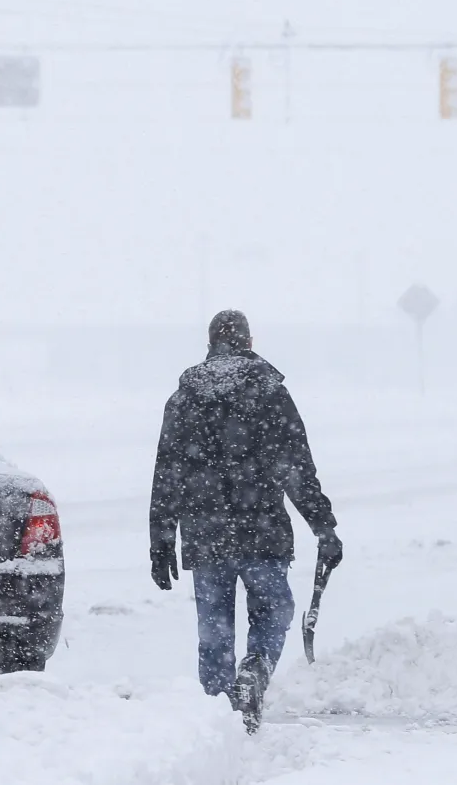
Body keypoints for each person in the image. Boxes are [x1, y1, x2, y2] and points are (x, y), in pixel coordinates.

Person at [148, 310, 342, 731]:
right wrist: (323, 526)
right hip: (263, 530)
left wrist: (161, 539)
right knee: (275, 610)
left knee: (215, 628)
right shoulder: (269, 393)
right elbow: (297, 468)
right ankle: (254, 672)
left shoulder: (184, 399)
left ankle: (219, 715)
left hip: (206, 534)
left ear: (211, 342)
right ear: (249, 342)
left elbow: (168, 474)